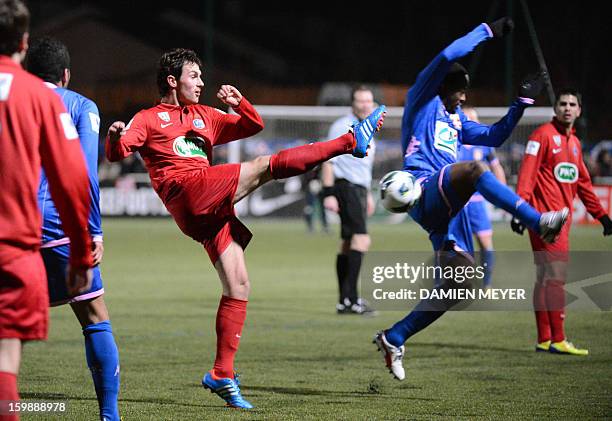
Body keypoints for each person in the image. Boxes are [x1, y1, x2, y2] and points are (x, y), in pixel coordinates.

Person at [105, 47, 386, 409]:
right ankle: (350, 141)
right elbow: (118, 152)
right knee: (263, 166)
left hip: (205, 210)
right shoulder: (148, 118)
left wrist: (241, 103)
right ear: (173, 81)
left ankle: (222, 372)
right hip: (188, 190)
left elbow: (253, 126)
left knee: (238, 285)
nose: (202, 82)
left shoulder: (204, 115)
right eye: (194, 75)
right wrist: (114, 136)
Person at [372, 18, 569, 381]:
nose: (463, 97)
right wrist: (487, 31)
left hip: (446, 209)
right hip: (424, 188)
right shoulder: (422, 100)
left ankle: (395, 336)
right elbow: (450, 53)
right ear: (442, 86)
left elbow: (494, 137)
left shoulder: (457, 119)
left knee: (458, 287)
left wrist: (521, 102)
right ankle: (536, 220)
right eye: (459, 91)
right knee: (476, 171)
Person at [0, 1, 93, 419]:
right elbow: (73, 179)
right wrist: (81, 251)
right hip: (13, 251)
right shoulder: (42, 98)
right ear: (22, 43)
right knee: (6, 366)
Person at [27, 37, 120, 420]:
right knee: (94, 315)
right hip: (60, 228)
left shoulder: (12, 101)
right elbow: (85, 174)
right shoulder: (81, 105)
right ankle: (109, 415)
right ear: (66, 74)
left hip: (10, 226)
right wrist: (93, 230)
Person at [511, 89, 612, 355]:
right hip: (545, 219)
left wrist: (601, 216)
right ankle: (558, 339)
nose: (567, 108)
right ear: (555, 108)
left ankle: (545, 339)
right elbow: (527, 176)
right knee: (556, 277)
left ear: (579, 111)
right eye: (562, 104)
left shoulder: (575, 144)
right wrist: (521, 211)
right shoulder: (542, 135)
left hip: (560, 221)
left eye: (572, 104)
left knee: (545, 277)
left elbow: (583, 184)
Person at [322, 85, 377, 315]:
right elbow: (327, 159)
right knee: (361, 240)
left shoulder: (370, 126)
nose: (365, 105)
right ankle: (353, 300)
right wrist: (329, 193)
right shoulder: (342, 126)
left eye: (368, 101)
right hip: (347, 188)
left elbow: (363, 165)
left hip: (359, 189)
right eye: (360, 101)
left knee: (347, 244)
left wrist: (369, 193)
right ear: (352, 104)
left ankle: (344, 301)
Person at [457, 106, 507, 288]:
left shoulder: (485, 144)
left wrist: (503, 195)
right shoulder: (453, 142)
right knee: (456, 247)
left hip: (477, 203)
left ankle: (486, 284)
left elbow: (497, 167)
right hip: (457, 202)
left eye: (474, 119)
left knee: (486, 243)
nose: (471, 123)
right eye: (467, 119)